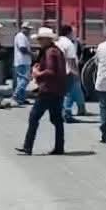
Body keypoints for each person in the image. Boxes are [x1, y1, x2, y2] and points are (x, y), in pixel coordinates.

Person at [18, 27, 65, 155]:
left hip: (48, 90)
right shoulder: (55, 50)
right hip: (57, 89)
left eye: (40, 39)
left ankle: (28, 146)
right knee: (57, 120)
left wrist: (37, 73)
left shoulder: (50, 52)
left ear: (47, 39)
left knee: (34, 117)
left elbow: (50, 71)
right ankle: (59, 147)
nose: (38, 41)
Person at [57, 24, 85, 121]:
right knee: (68, 93)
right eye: (72, 32)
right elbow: (71, 61)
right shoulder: (69, 44)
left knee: (67, 92)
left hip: (58, 71)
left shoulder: (57, 42)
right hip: (68, 72)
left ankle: (79, 108)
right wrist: (76, 73)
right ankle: (66, 114)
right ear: (69, 33)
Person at [12, 23, 33, 106]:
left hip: (23, 61)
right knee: (25, 80)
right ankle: (15, 96)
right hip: (22, 62)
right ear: (23, 28)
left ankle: (21, 98)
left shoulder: (23, 36)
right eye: (28, 29)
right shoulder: (21, 36)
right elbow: (22, 49)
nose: (29, 31)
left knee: (21, 80)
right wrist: (32, 54)